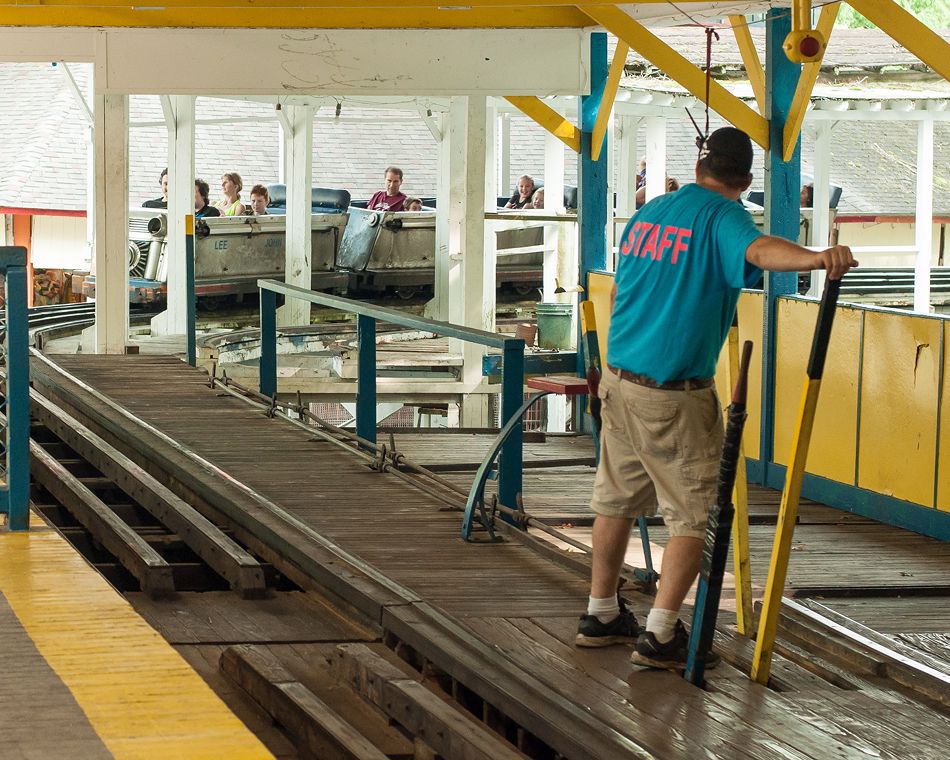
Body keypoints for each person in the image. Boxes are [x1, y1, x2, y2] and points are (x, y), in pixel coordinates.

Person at [574, 127, 857, 670]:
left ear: (699, 166)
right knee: (696, 513)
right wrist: (819, 259)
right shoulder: (725, 216)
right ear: (746, 180)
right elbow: (759, 251)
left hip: (619, 380)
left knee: (613, 499)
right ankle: (659, 634)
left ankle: (601, 612)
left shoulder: (652, 212)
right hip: (674, 395)